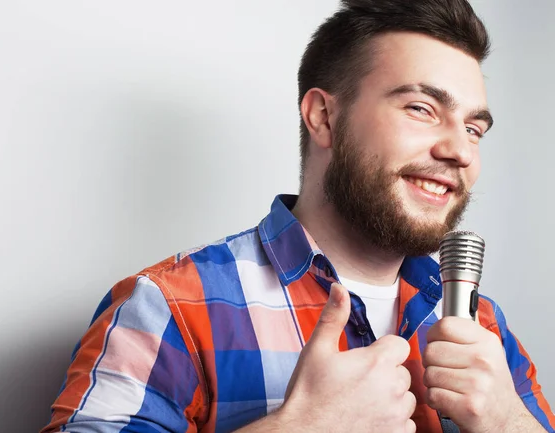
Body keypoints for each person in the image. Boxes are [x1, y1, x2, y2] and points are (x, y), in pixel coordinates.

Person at [42, 0, 555, 432]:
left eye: (474, 128)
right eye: (422, 108)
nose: (460, 151)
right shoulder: (168, 309)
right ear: (324, 117)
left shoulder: (483, 326)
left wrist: (510, 420)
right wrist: (301, 426)